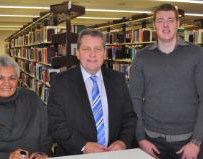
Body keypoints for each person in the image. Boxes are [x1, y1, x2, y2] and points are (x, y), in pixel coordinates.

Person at [129, 3, 203, 159]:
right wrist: (140, 138)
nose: (166, 25)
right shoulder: (142, 57)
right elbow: (134, 98)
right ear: (154, 24)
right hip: (151, 141)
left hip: (187, 142)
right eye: (160, 20)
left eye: (170, 20)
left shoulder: (197, 54)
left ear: (178, 24)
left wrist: (196, 142)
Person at [48, 28, 137, 156]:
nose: (93, 54)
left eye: (98, 49)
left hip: (113, 155)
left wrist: (123, 142)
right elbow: (55, 124)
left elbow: (129, 118)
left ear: (105, 53)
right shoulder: (61, 82)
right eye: (86, 49)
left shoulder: (118, 79)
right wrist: (83, 146)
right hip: (75, 155)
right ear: (77, 53)